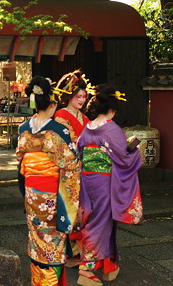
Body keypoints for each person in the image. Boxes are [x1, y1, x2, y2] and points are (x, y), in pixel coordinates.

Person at [16, 76, 81, 286]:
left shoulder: (23, 129)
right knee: (52, 244)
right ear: (52, 104)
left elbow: (21, 168)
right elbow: (71, 168)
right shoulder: (58, 130)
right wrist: (74, 204)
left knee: (36, 242)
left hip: (32, 195)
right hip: (52, 198)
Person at [75, 84, 143, 286]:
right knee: (99, 224)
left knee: (97, 221)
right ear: (112, 109)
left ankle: (109, 266)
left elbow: (79, 152)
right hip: (104, 183)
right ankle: (86, 270)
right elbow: (125, 159)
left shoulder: (87, 128)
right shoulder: (112, 130)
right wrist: (134, 151)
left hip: (86, 181)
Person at [53, 70, 90, 267]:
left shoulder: (83, 117)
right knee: (70, 209)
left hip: (85, 169)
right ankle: (70, 252)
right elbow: (65, 143)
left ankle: (81, 250)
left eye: (84, 97)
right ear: (69, 96)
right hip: (69, 170)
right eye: (78, 96)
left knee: (84, 210)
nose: (82, 100)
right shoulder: (61, 115)